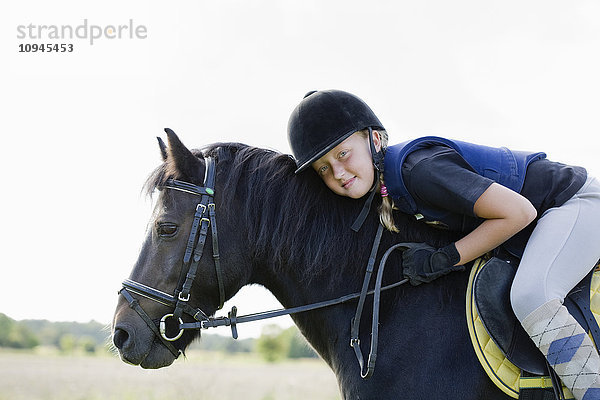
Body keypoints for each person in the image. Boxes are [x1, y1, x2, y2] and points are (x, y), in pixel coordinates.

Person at [287, 89, 600, 399]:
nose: (338, 173)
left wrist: (446, 258)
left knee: (531, 296)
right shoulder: (389, 190)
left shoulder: (417, 171)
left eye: (342, 153)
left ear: (374, 138)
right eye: (324, 169)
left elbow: (519, 212)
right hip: (538, 222)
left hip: (575, 204)